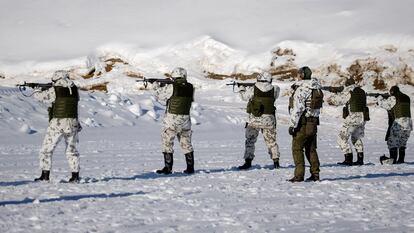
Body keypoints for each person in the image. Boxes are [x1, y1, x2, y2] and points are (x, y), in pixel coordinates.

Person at [33, 70, 82, 182]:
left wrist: (36, 88)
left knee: (46, 150)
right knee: (72, 150)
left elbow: (38, 97)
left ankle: (45, 176)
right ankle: (75, 176)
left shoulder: (55, 89)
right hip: (73, 123)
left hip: (58, 123)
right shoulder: (74, 89)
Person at [152, 67, 195, 174]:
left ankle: (168, 168)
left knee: (167, 142)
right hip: (185, 119)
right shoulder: (191, 87)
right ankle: (190, 168)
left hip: (172, 120)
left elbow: (160, 96)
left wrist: (155, 85)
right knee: (186, 143)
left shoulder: (172, 86)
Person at [237, 72, 281, 170]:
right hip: (269, 121)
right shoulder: (275, 89)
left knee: (250, 141)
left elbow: (244, 97)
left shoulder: (252, 89)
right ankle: (276, 161)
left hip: (254, 121)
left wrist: (241, 88)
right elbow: (274, 96)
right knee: (271, 142)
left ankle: (248, 162)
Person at [288, 66, 323, 182]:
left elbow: (298, 109)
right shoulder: (317, 88)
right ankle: (315, 174)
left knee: (297, 149)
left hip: (302, 124)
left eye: (299, 74)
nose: (298, 75)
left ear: (302, 75)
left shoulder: (302, 89)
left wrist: (293, 125)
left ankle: (299, 175)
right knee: (311, 149)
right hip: (313, 124)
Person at [330, 78, 369, 166]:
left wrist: (335, 93)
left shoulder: (349, 91)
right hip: (362, 118)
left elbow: (336, 101)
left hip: (352, 119)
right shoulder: (361, 91)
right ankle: (360, 159)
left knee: (342, 138)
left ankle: (348, 159)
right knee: (356, 138)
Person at [376, 86, 412, 164]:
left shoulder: (393, 98)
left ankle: (393, 160)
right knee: (402, 141)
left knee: (392, 141)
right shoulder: (406, 97)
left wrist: (379, 97)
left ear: (392, 92)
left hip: (399, 122)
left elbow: (385, 105)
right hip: (409, 123)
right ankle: (401, 159)